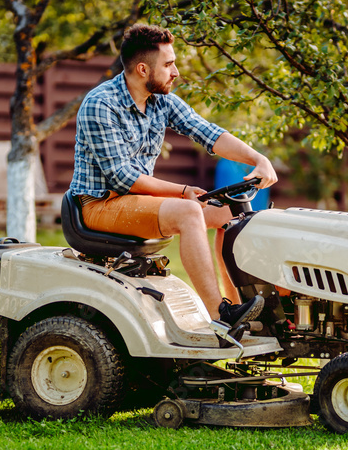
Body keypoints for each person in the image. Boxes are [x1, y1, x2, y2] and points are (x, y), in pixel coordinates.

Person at [70, 23, 277, 330]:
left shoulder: (159, 100)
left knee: (229, 213)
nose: (176, 71)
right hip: (99, 206)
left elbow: (209, 133)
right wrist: (181, 191)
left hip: (136, 200)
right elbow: (122, 178)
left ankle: (240, 308)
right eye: (168, 64)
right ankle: (219, 316)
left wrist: (258, 159)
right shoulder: (100, 104)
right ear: (143, 69)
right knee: (189, 211)